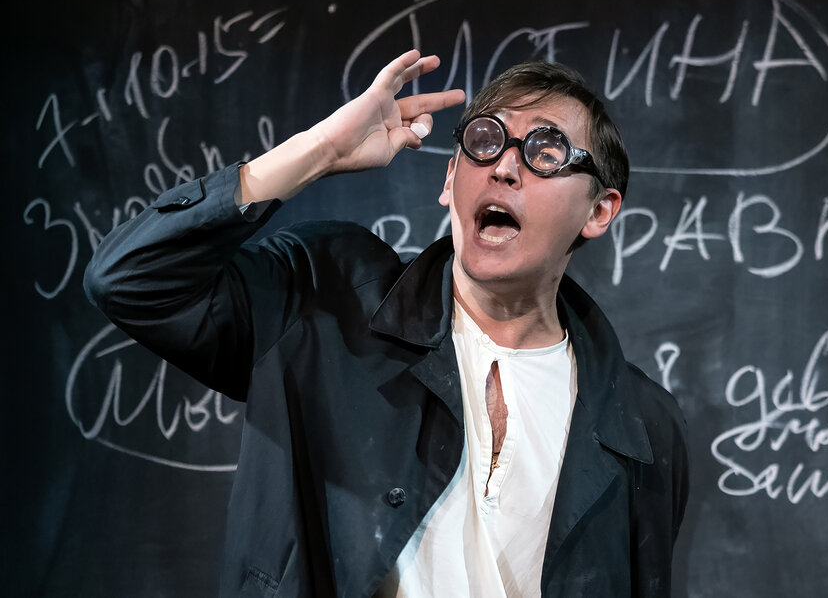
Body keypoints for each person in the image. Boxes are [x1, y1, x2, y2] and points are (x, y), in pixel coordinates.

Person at [85, 50, 689, 597]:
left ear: (599, 211)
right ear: (450, 180)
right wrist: (319, 152)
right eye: (484, 141)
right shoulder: (325, 300)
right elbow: (130, 279)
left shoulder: (643, 427)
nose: (505, 168)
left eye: (545, 152)